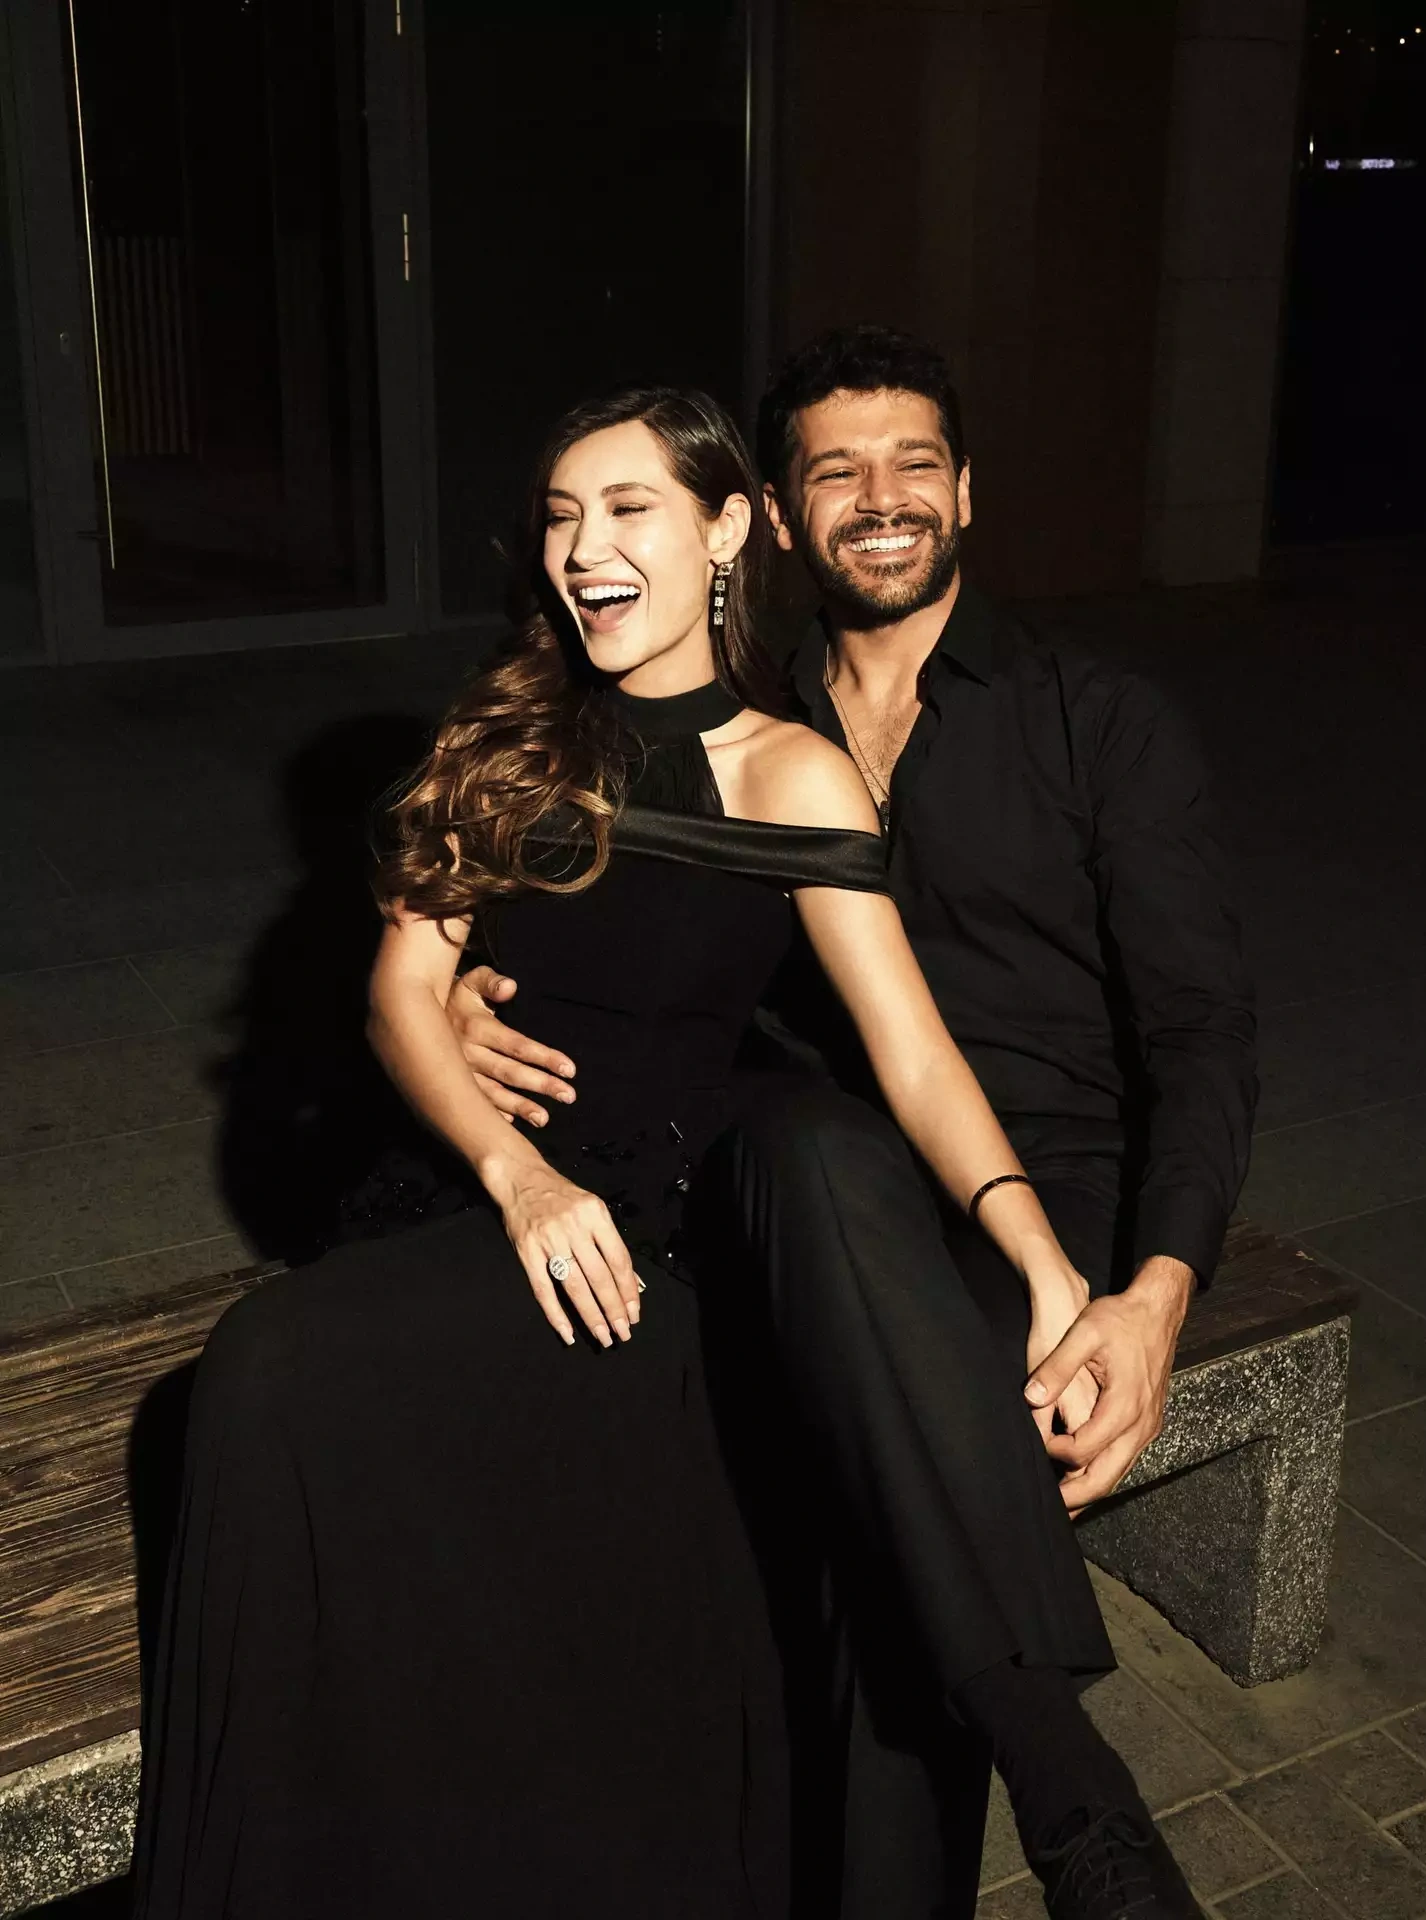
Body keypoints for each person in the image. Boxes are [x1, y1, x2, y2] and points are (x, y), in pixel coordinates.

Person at [130, 385, 1195, 1920]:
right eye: (563, 518)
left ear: (728, 530)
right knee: (260, 1367)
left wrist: (1039, 1261)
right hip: (486, 1195)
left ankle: (1068, 1787)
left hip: (671, 1225)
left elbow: (911, 1049)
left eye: (628, 509)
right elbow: (401, 996)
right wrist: (516, 1175)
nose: (586, 550)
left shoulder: (792, 773)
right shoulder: (507, 735)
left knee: (747, 1331)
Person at [445, 332, 1255, 1917]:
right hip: (793, 1150)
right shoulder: (745, 695)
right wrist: (484, 995)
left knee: (880, 1508)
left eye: (914, 466)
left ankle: (1040, 1833)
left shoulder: (1098, 721)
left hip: (1029, 1176)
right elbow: (624, 922)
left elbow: (1201, 1033)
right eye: (837, 472)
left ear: (967, 492)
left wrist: (1157, 1292)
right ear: (776, 514)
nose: (882, 499)